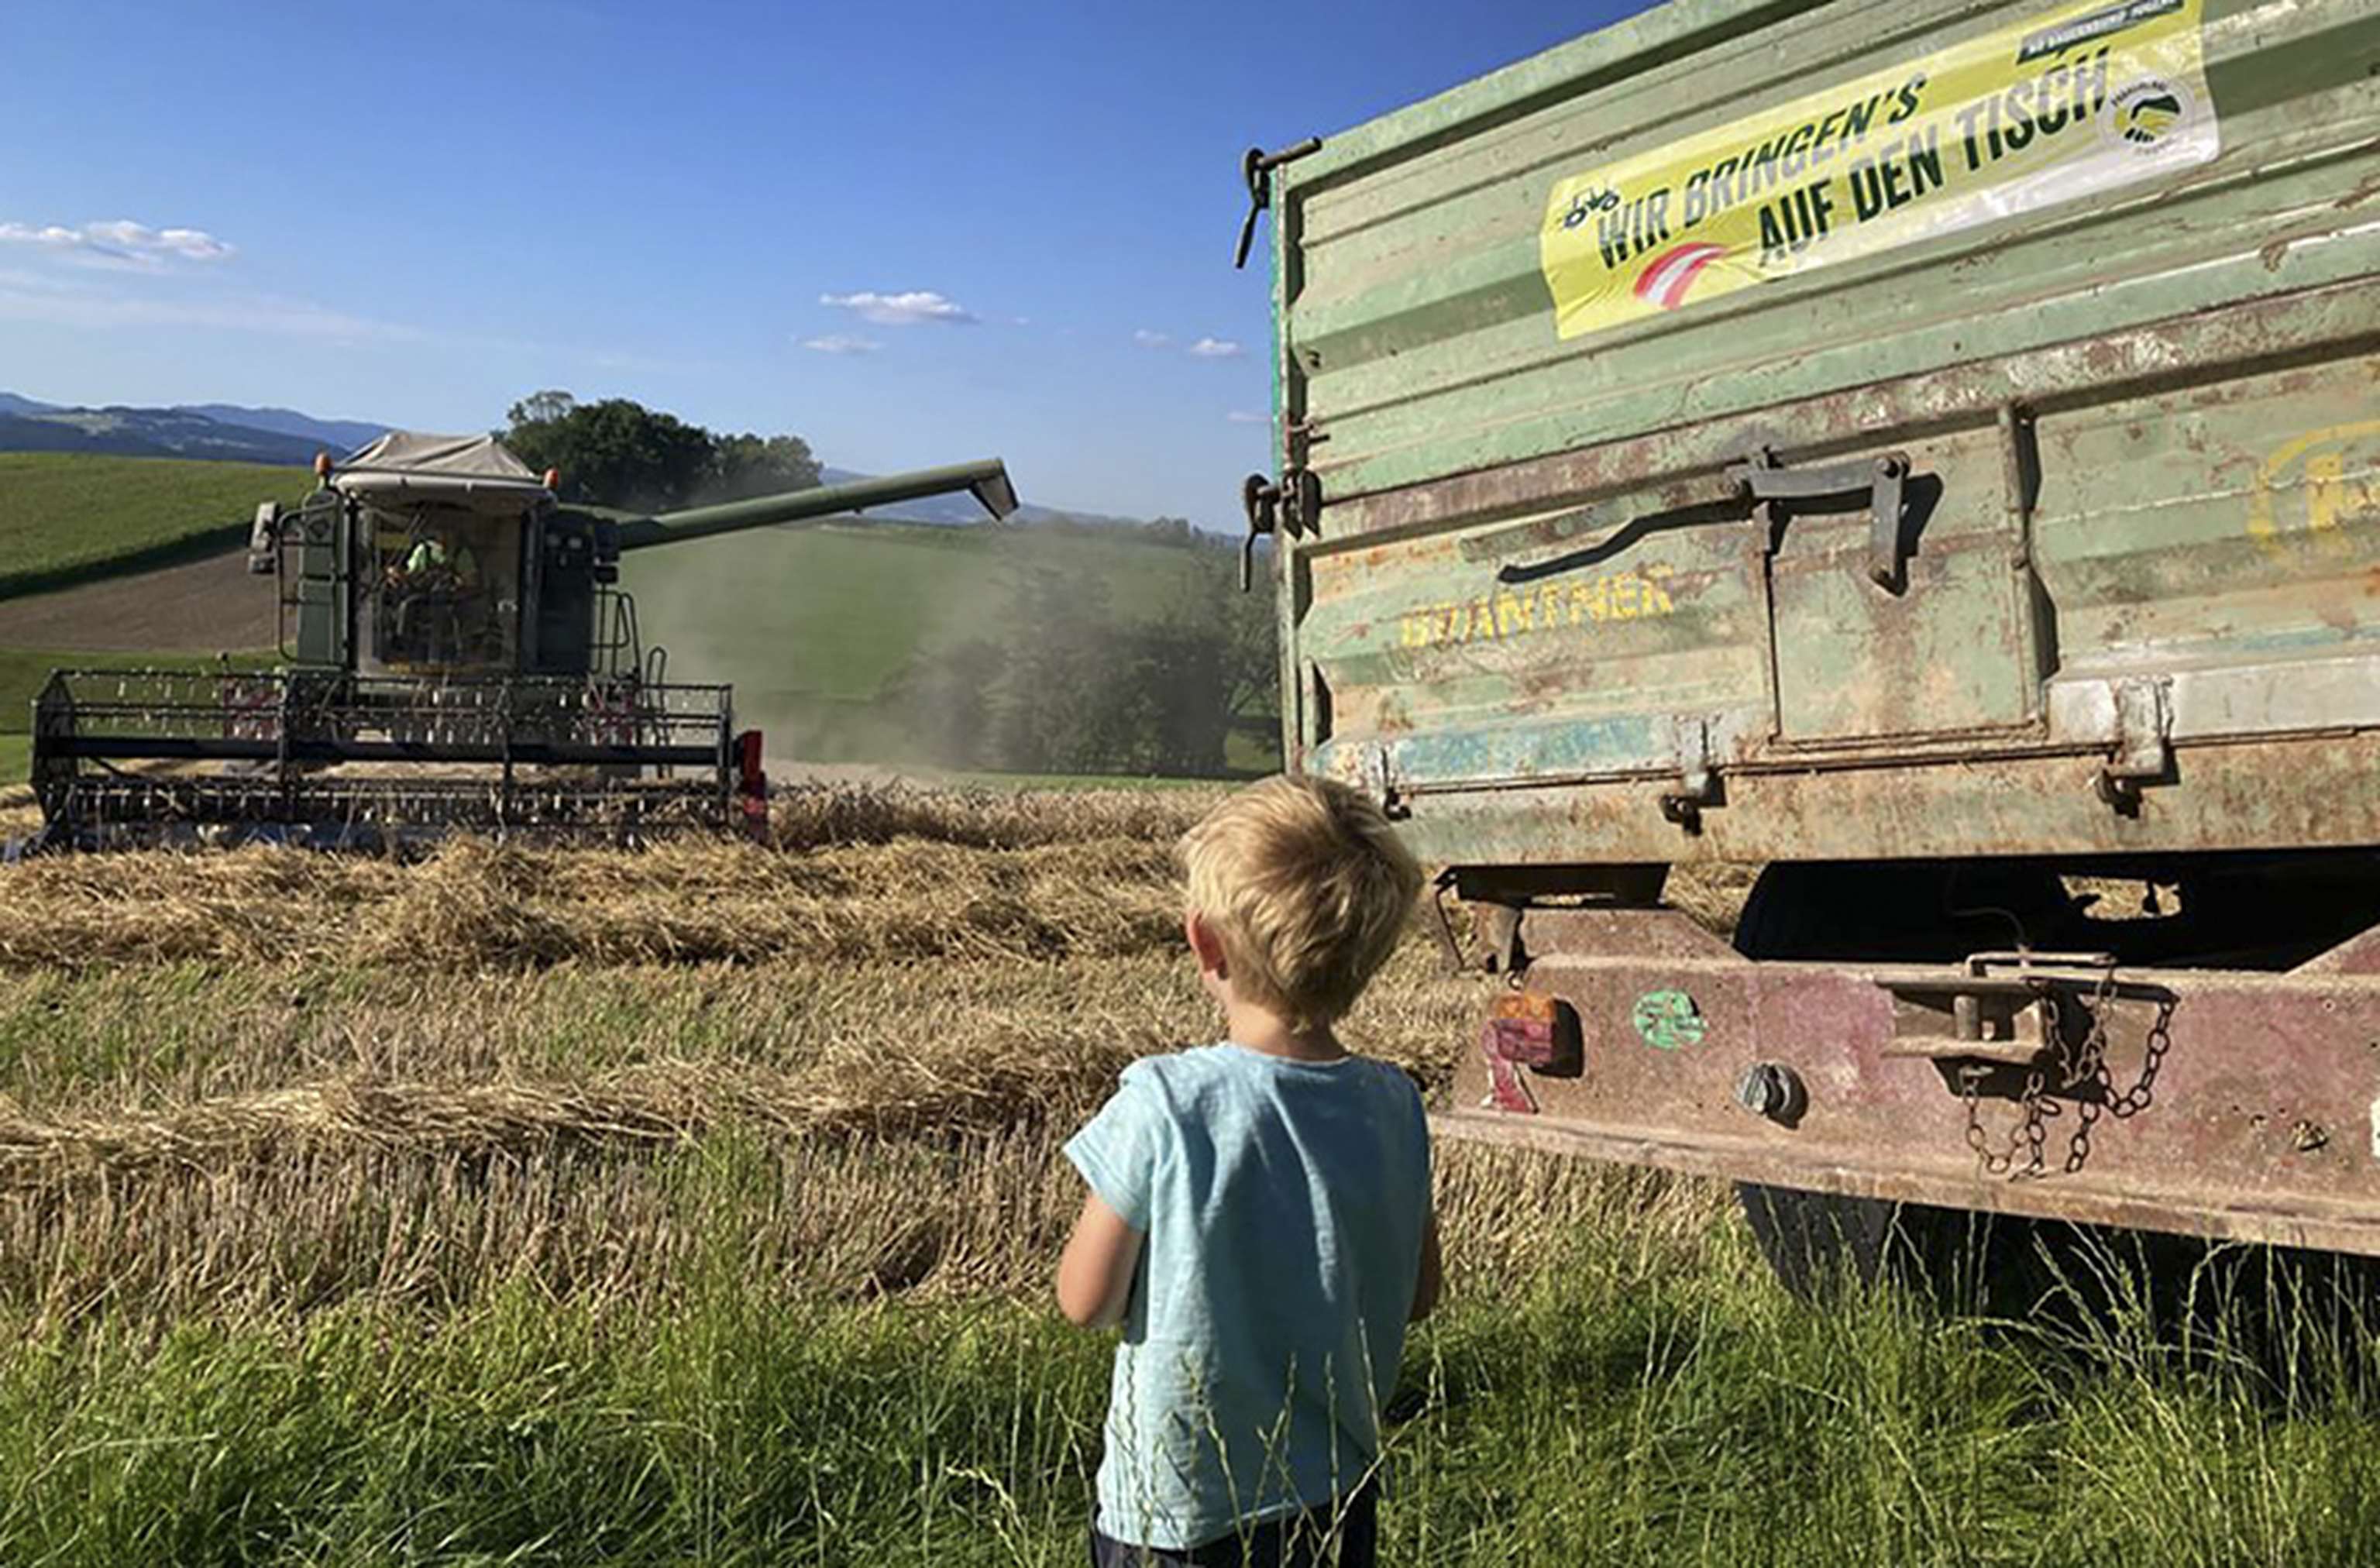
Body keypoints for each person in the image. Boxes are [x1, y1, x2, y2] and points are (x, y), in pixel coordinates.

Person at [1058, 774, 1439, 1567]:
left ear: (1204, 940)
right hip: (1332, 1493)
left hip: (1180, 1510)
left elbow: (1085, 1299)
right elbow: (1419, 1295)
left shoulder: (1167, 1100)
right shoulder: (1394, 1102)